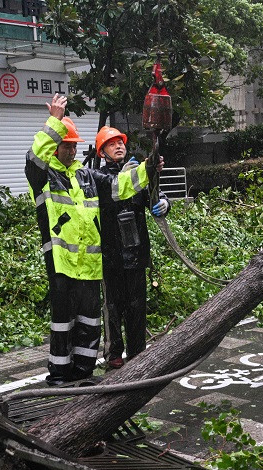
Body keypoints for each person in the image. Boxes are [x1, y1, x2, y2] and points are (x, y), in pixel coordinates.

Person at [26, 95, 155, 386]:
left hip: (89, 265)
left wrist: (147, 169)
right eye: (66, 145)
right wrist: (55, 122)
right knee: (64, 324)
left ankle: (84, 372)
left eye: (73, 145)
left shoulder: (86, 175)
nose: (71, 150)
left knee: (89, 323)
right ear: (55, 147)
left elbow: (119, 186)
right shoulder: (43, 176)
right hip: (61, 264)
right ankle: (60, 375)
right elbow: (34, 155)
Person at [95, 126, 170, 369]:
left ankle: (137, 353)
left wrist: (164, 204)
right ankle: (114, 353)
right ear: (101, 153)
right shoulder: (97, 178)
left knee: (137, 306)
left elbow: (156, 196)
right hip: (111, 255)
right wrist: (140, 172)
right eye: (111, 144)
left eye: (121, 143)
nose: (119, 146)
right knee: (114, 307)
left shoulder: (138, 176)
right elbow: (115, 186)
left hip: (136, 253)